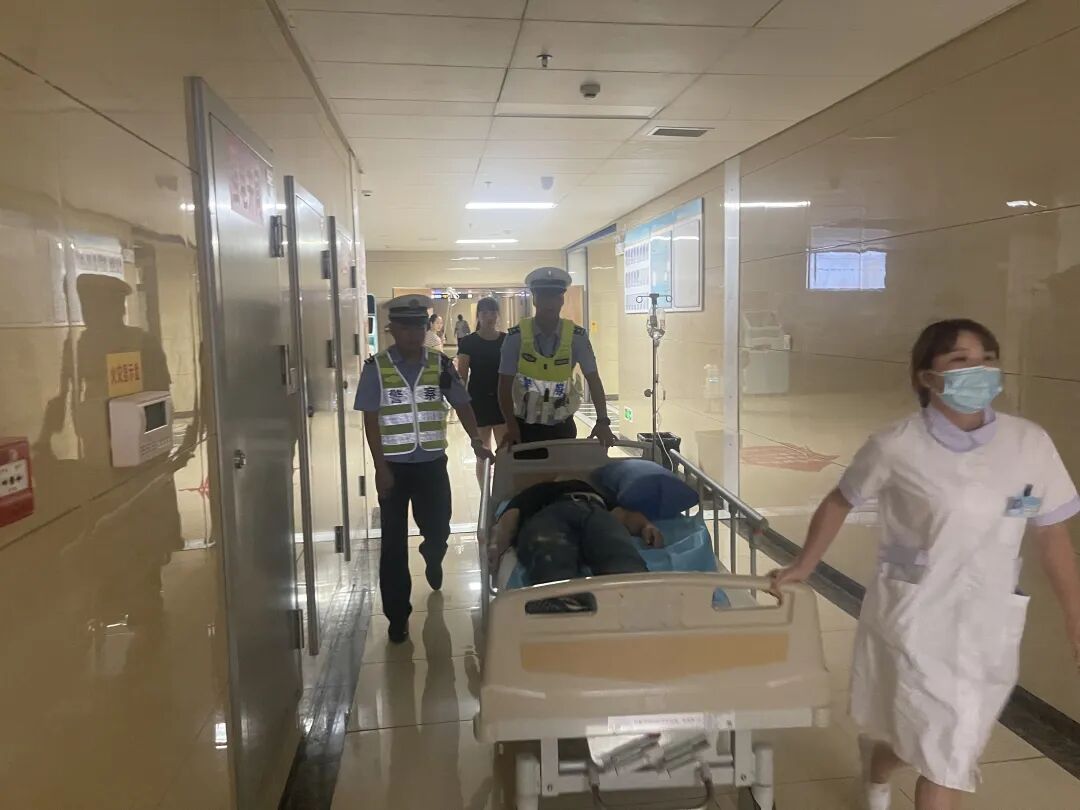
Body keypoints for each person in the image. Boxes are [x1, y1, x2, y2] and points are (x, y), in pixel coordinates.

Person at [768, 319, 1080, 810]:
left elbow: (1053, 534)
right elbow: (840, 500)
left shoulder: (1029, 444)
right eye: (960, 360)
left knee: (941, 740)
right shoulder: (897, 445)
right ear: (926, 377)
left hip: (990, 623)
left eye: (987, 359)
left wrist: (1075, 618)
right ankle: (888, 763)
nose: (978, 370)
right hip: (917, 619)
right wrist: (803, 565)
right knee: (944, 753)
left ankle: (880, 761)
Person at [355, 294, 494, 643]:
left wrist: (476, 440)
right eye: (405, 327)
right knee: (392, 543)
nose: (413, 334)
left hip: (432, 464)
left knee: (438, 527)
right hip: (394, 468)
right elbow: (370, 420)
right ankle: (397, 616)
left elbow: (461, 403)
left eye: (418, 326)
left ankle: (433, 554)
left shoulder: (440, 364)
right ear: (392, 329)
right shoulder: (376, 367)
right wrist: (380, 468)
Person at [488, 478, 662, 609]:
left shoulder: (595, 493)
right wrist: (496, 546)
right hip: (551, 511)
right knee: (548, 545)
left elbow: (623, 515)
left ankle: (633, 593)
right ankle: (560, 599)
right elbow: (509, 519)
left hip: (595, 511)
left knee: (613, 542)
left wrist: (645, 526)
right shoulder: (537, 491)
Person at [497, 267, 615, 447]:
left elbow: (593, 379)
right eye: (544, 297)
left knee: (564, 467)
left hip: (562, 426)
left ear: (562, 300)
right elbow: (504, 386)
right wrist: (511, 426)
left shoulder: (576, 337)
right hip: (524, 428)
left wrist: (603, 421)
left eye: (555, 297)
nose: (549, 303)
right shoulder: (516, 337)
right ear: (535, 299)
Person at [456, 297, 506, 485]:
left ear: (498, 315)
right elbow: (462, 376)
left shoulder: (506, 340)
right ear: (478, 315)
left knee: (504, 452)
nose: (489, 317)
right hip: (478, 401)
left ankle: (501, 493)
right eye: (484, 313)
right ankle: (485, 494)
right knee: (483, 453)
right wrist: (462, 405)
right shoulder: (469, 342)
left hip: (502, 401)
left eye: (493, 312)